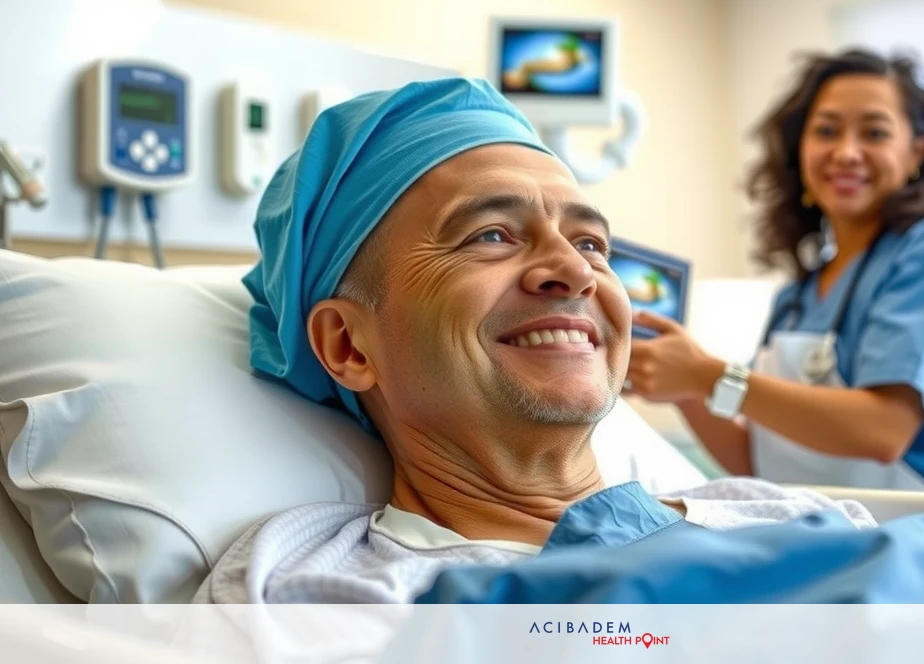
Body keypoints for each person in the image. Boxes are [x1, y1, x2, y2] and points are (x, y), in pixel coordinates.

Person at [194, 77, 876, 604]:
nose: (577, 270)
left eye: (589, 242)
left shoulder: (782, 513)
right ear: (348, 345)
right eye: (490, 235)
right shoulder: (326, 592)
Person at [624, 48, 924, 494]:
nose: (846, 153)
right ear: (800, 150)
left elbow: (883, 431)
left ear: (915, 152)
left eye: (875, 132)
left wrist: (706, 374)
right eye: (826, 131)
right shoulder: (795, 299)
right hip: (842, 529)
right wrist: (685, 392)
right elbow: (756, 460)